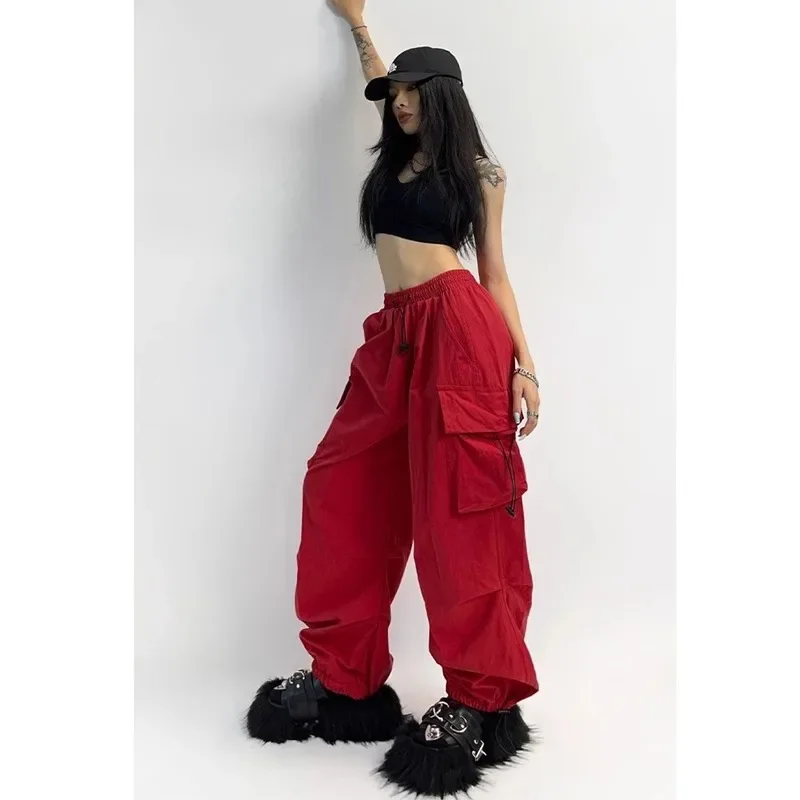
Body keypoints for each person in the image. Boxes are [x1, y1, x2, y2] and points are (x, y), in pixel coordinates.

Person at [246, 1, 541, 795]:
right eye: (395, 93)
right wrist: (358, 24)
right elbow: (379, 77)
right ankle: (345, 680)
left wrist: (526, 366)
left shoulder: (481, 175)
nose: (400, 102)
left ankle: (479, 700)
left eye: (413, 92)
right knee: (340, 488)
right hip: (393, 337)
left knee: (460, 515)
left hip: (460, 333)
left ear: (442, 96)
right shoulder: (396, 150)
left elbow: (495, 275)